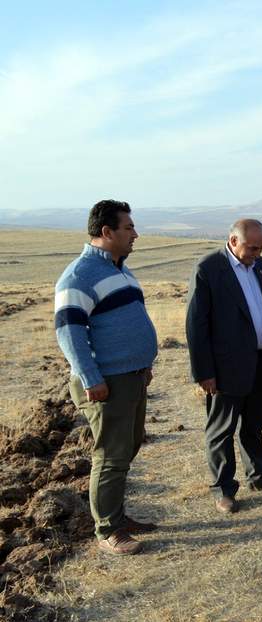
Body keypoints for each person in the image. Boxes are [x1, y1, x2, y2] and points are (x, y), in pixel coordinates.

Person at [54, 200, 159, 555]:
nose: (135, 234)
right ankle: (108, 530)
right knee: (111, 455)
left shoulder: (119, 269)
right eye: (128, 228)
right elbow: (69, 332)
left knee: (127, 448)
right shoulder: (79, 275)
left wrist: (143, 365)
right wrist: (89, 377)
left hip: (130, 377)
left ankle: (118, 515)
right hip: (106, 381)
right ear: (106, 232)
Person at [186, 219, 262, 515]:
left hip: (259, 361)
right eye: (252, 247)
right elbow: (196, 325)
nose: (257, 252)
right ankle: (223, 489)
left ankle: (259, 475)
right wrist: (204, 372)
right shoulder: (208, 269)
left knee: (255, 423)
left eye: (261, 247)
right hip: (224, 368)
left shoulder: (260, 266)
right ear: (233, 241)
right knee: (221, 431)